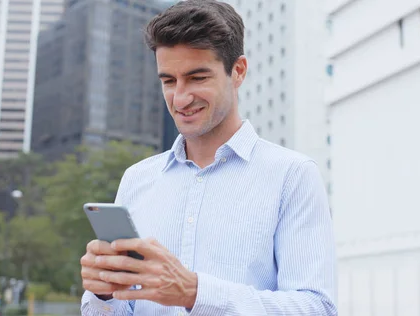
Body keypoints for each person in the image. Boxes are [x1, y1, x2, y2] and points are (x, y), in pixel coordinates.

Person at [79, 0, 337, 315]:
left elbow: (317, 308)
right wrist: (103, 295)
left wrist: (195, 293)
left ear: (238, 71)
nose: (181, 98)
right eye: (169, 81)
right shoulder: (137, 179)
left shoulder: (292, 176)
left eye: (197, 78)